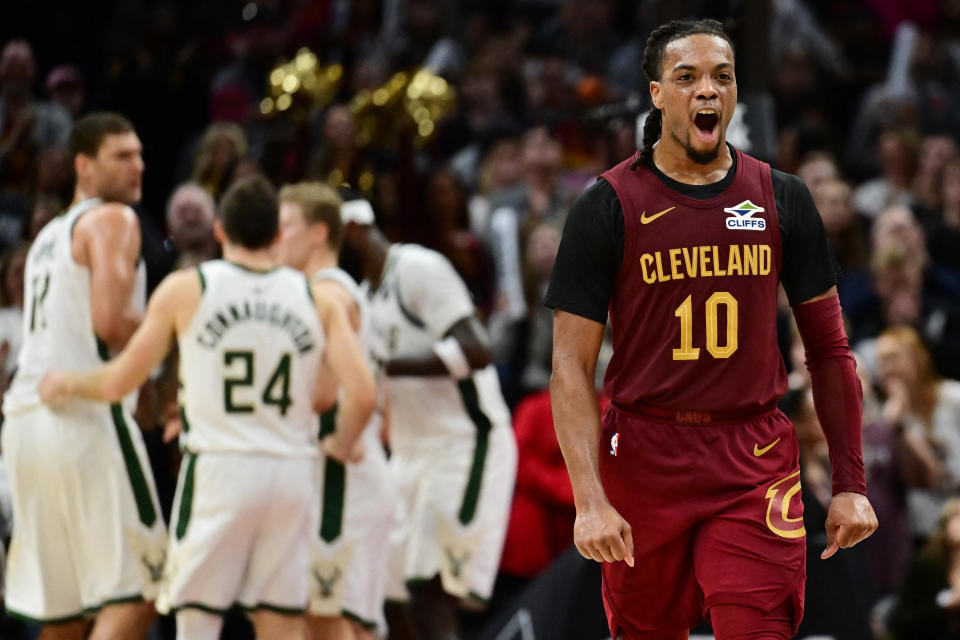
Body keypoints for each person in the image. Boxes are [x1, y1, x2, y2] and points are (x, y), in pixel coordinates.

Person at [545, 19, 878, 639]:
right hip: (644, 455)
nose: (707, 91)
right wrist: (589, 500)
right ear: (656, 94)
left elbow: (830, 350)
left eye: (721, 78)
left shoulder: (783, 198)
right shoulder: (607, 204)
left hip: (751, 458)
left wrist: (850, 483)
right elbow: (569, 365)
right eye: (687, 77)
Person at [38, 175, 376, 640]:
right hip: (290, 472)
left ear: (219, 230)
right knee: (281, 620)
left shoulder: (187, 287)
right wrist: (339, 444)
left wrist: (68, 383)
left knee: (197, 619)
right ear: (277, 235)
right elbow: (363, 394)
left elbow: (119, 381)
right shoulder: (315, 299)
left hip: (220, 469)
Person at [1, 112, 165, 639]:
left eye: (140, 154)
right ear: (83, 166)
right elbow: (113, 322)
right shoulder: (112, 219)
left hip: (26, 424)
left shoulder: (49, 235)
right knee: (145, 587)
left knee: (64, 617)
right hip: (84, 420)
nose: (137, 165)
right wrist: (179, 328)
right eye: (121, 156)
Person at [340, 196, 517, 640]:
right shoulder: (360, 299)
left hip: (464, 444)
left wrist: (386, 366)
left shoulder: (416, 269)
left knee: (433, 586)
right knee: (392, 595)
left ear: (355, 228)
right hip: (408, 452)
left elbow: (476, 350)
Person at [273, 181, 394, 639]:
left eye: (286, 227)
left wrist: (340, 443)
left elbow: (353, 395)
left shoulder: (328, 294)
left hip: (343, 480)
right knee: (336, 621)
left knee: (329, 620)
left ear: (319, 233)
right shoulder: (335, 290)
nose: (276, 237)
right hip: (350, 479)